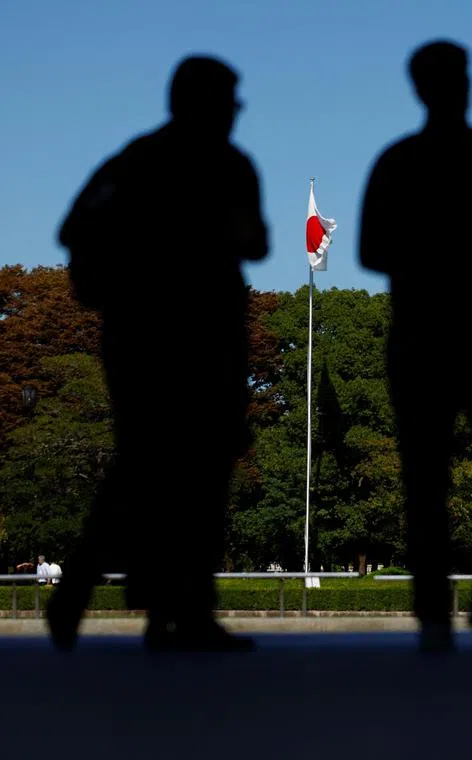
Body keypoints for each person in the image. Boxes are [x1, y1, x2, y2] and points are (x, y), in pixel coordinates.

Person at [50, 55, 265, 652]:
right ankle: (177, 607)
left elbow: (75, 226)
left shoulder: (136, 158)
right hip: (197, 337)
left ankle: (105, 588)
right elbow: (257, 239)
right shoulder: (227, 165)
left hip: (139, 334)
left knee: (147, 463)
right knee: (194, 474)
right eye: (230, 101)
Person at [359, 40, 472, 652]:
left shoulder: (397, 162)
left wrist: (420, 268)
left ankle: (437, 614)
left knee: (427, 479)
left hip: (420, 330)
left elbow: (369, 251)